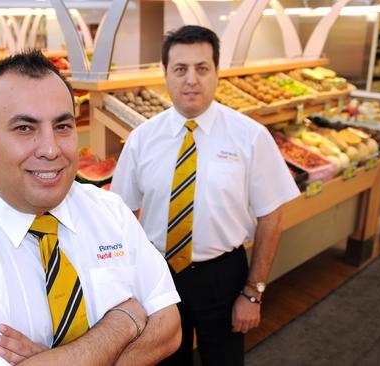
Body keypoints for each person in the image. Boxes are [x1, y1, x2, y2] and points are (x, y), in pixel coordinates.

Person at [0, 50, 182, 365]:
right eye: (25, 128)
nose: (50, 149)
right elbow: (145, 322)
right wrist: (122, 321)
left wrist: (59, 359)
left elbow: (169, 326)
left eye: (63, 126)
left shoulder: (110, 211)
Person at [110, 25, 300, 365]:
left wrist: (253, 293)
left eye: (202, 68)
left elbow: (271, 215)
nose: (191, 80)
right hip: (159, 275)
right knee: (165, 361)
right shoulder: (141, 139)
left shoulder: (250, 136)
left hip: (224, 277)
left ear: (216, 73)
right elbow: (123, 215)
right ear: (165, 74)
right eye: (180, 69)